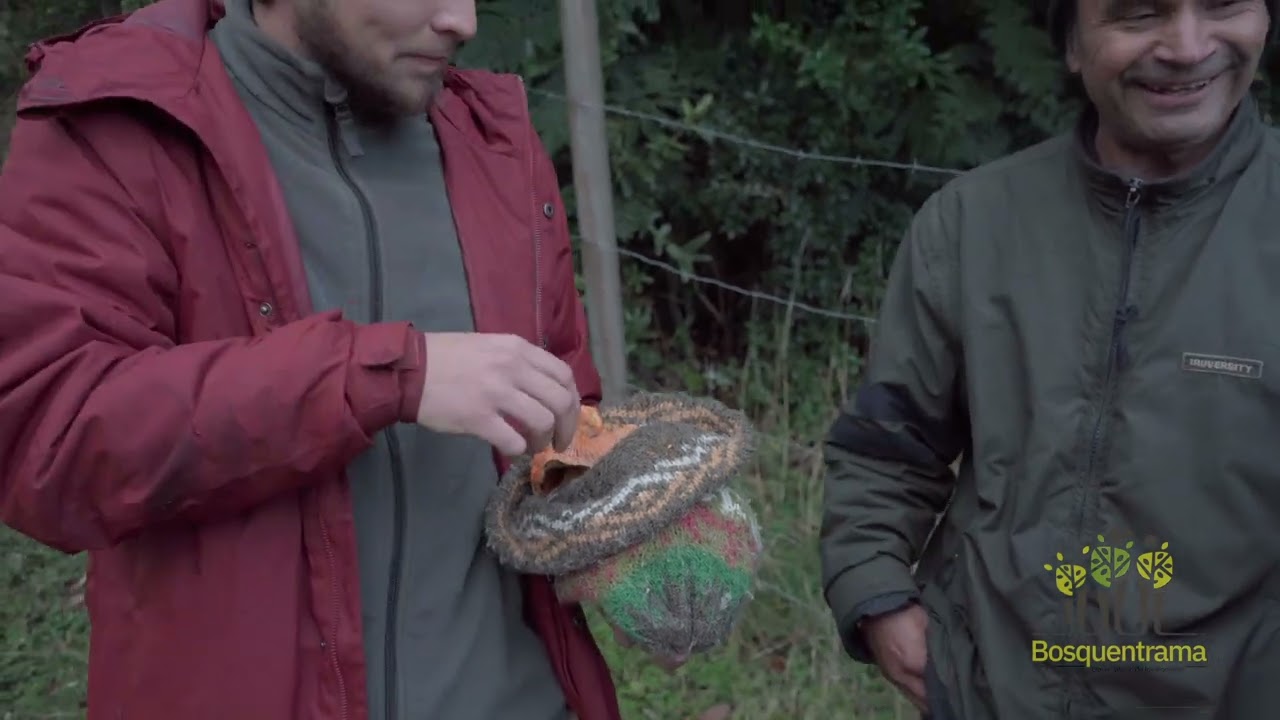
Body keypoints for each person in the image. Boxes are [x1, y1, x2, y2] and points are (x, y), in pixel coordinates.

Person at [0, 0, 639, 717]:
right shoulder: (123, 125)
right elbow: (46, 435)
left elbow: (560, 422)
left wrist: (636, 521)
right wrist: (385, 376)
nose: (462, 19)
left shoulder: (494, 146)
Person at [819, 1, 1279, 718]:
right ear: (1069, 39)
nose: (1188, 46)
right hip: (991, 695)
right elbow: (886, 451)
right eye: (1140, 12)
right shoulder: (973, 224)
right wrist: (875, 596)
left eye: (1224, 4)